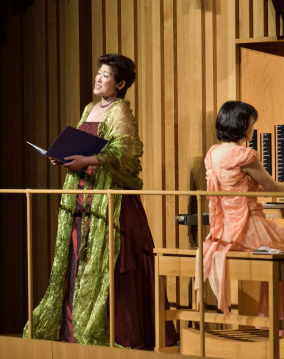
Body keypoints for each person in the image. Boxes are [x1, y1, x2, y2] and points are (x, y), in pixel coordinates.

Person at [23, 53, 177, 349]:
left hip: (107, 198)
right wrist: (63, 158)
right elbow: (81, 145)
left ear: (119, 84)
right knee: (78, 254)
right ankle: (72, 327)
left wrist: (87, 159)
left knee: (109, 259)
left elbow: (125, 154)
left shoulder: (120, 111)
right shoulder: (91, 107)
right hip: (82, 191)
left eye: (105, 75)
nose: (98, 78)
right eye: (99, 73)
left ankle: (113, 331)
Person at [195, 100, 284, 317]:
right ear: (241, 124)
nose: (253, 127)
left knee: (282, 249)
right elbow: (272, 187)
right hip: (248, 229)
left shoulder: (212, 154)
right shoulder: (245, 156)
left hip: (222, 231)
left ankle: (269, 322)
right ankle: (280, 325)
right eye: (251, 122)